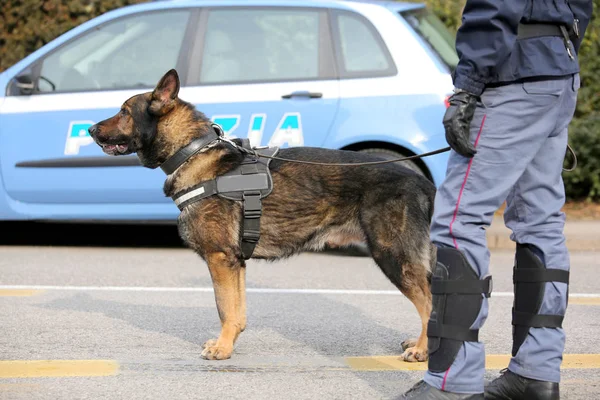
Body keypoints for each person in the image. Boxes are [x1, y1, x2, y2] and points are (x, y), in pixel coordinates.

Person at [399, 0, 593, 399]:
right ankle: (535, 374)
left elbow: (495, 6)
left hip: (513, 77)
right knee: (541, 222)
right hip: (556, 73)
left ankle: (452, 383)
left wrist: (467, 88)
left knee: (457, 221)